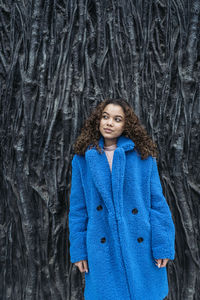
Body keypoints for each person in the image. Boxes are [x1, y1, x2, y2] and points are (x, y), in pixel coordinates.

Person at [68, 98, 176, 300]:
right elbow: (78, 209)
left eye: (117, 119)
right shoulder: (82, 160)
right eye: (105, 116)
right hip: (101, 244)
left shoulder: (143, 157)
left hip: (140, 242)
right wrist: (79, 250)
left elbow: (157, 204)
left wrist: (163, 244)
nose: (109, 123)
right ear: (97, 120)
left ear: (126, 125)